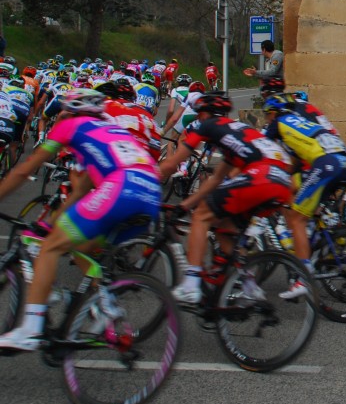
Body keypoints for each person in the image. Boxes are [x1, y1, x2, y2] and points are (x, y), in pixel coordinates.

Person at [0, 89, 161, 350]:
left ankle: (30, 329)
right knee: (79, 250)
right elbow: (80, 193)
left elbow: (24, 170)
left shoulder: (71, 126)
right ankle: (106, 306)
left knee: (50, 247)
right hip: (151, 194)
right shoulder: (110, 132)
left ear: (71, 111)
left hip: (122, 187)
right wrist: (53, 225)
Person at [159, 92, 292, 304]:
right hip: (282, 181)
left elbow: (170, 164)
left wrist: (145, 180)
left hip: (263, 176)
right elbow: (216, 179)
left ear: (204, 114)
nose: (197, 118)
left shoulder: (207, 125)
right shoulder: (234, 131)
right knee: (224, 226)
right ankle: (248, 284)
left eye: (198, 114)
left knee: (202, 215)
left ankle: (191, 283)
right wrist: (184, 205)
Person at [262, 93, 346, 298]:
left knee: (296, 218)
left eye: (267, 116)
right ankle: (322, 229)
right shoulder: (299, 122)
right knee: (302, 199)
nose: (267, 120)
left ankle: (303, 276)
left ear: (272, 113)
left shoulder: (278, 122)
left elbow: (261, 151)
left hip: (326, 163)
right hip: (341, 160)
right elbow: (293, 162)